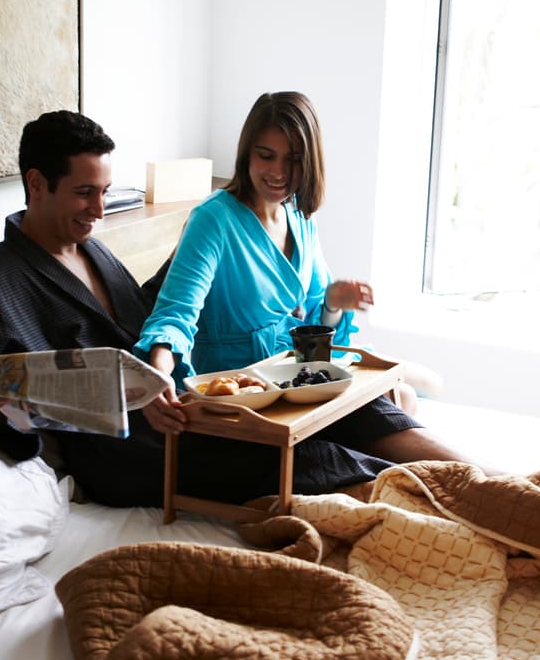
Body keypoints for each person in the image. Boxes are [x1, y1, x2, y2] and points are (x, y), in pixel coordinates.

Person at [0, 110, 415, 507]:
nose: (100, 207)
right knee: (306, 460)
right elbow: (7, 420)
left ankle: (451, 488)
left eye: (106, 191)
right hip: (128, 453)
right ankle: (425, 502)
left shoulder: (89, 250)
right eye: (85, 192)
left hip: (174, 409)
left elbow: (149, 316)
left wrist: (194, 262)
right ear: (37, 183)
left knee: (347, 421)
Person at [133, 91, 468, 467]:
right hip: (248, 400)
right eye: (266, 155)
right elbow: (175, 314)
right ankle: (487, 484)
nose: (278, 172)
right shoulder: (213, 221)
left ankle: (486, 484)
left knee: (406, 394)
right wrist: (156, 375)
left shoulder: (299, 217)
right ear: (247, 153)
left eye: (292, 160)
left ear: (309, 162)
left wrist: (332, 303)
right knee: (393, 413)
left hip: (298, 382)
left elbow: (312, 327)